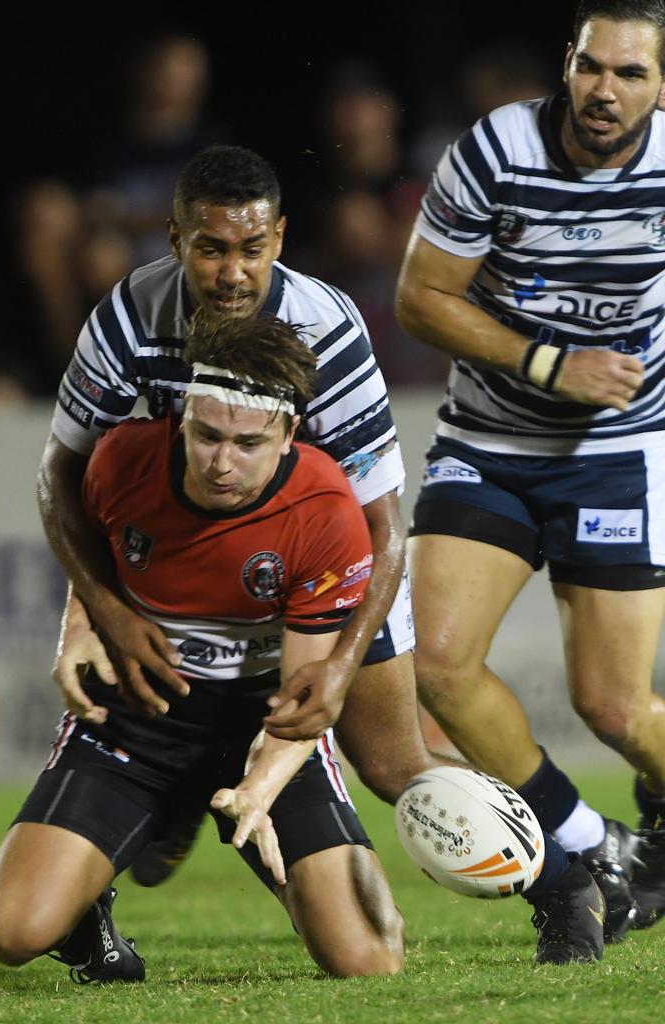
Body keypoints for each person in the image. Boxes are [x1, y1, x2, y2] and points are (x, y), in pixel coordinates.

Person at [37, 144, 603, 964]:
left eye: (252, 248)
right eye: (211, 248)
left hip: (321, 566)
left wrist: (339, 664)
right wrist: (100, 608)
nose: (233, 272)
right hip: (187, 574)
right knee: (132, 701)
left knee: (391, 759)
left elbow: (382, 521)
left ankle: (566, 880)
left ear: (280, 238)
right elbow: (63, 473)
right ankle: (147, 836)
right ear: (174, 240)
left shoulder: (327, 328)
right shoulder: (126, 318)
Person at [0, 313, 405, 981]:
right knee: (12, 933)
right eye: (206, 435)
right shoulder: (123, 458)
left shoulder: (325, 510)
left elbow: (300, 699)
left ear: (289, 433)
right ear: (181, 416)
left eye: (247, 443)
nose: (220, 462)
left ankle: (204, 809)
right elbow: (92, 545)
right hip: (139, 712)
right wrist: (82, 627)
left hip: (257, 724)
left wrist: (257, 790)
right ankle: (90, 914)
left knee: (369, 959)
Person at [396, 0, 665, 944]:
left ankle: (657, 818)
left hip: (616, 454)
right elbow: (421, 297)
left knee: (616, 706)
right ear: (568, 63)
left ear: (660, 86)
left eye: (630, 74)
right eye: (592, 67)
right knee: (438, 665)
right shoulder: (498, 149)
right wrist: (550, 365)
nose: (604, 90)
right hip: (491, 441)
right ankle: (594, 846)